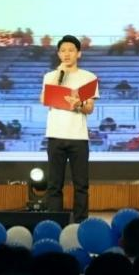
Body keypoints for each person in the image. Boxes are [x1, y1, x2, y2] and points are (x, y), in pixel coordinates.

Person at [39, 35, 98, 221]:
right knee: (54, 184)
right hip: (55, 135)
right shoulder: (50, 76)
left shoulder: (88, 77)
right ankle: (55, 222)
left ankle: (81, 222)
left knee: (81, 184)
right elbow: (44, 100)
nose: (67, 54)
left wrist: (78, 104)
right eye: (63, 51)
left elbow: (89, 108)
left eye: (71, 50)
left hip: (78, 137)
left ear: (78, 53)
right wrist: (59, 76)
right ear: (58, 54)